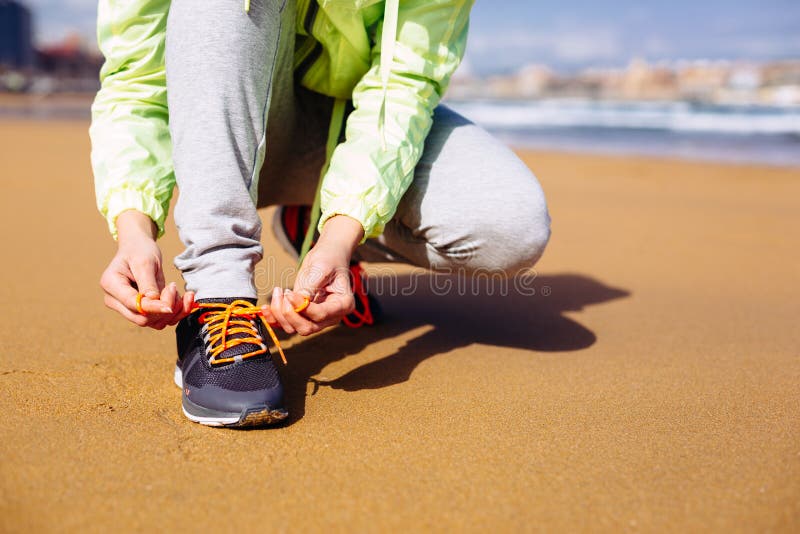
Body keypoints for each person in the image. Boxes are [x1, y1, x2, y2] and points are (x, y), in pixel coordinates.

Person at [91, 0, 551, 428]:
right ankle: (217, 296)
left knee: (511, 225)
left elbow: (404, 86)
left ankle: (311, 220)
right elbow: (137, 76)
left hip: (344, 126)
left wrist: (338, 235)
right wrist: (134, 225)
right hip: (220, 129)